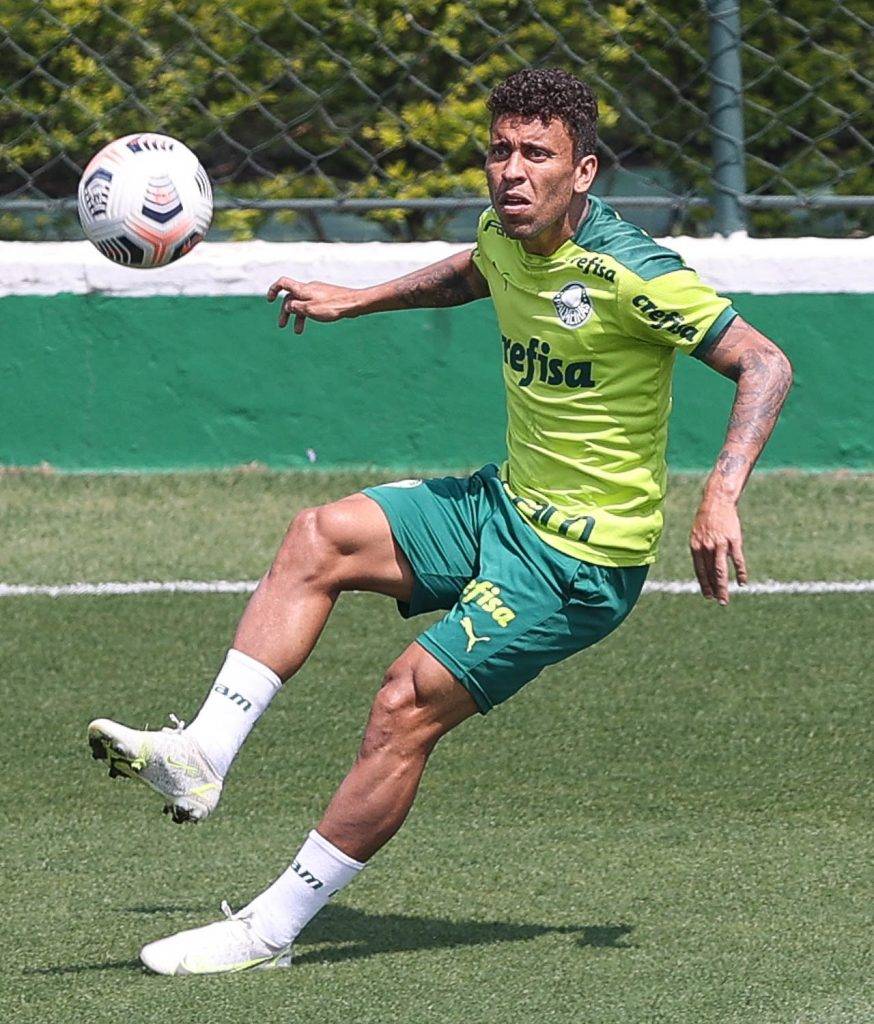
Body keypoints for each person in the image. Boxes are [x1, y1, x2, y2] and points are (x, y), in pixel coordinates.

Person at [87, 67, 792, 975]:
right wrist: (356, 299)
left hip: (578, 563)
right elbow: (473, 270)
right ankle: (200, 756)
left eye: (537, 154)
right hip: (503, 504)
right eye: (500, 151)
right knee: (320, 536)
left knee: (403, 705)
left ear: (583, 171)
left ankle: (267, 931)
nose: (512, 171)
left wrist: (722, 491)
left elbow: (763, 363)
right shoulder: (506, 232)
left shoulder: (633, 272)